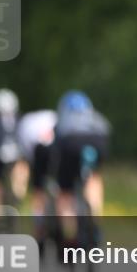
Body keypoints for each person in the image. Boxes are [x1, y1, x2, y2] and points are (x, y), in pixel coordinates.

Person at [52, 91, 110, 237]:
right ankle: (95, 216)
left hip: (71, 143)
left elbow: (56, 145)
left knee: (65, 192)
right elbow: (106, 130)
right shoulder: (95, 116)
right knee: (94, 178)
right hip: (97, 141)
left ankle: (69, 233)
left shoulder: (63, 118)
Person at [16, 108, 57, 256]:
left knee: (38, 193)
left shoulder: (26, 122)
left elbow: (26, 151)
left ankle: (39, 233)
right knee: (64, 192)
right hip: (55, 150)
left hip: (38, 152)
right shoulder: (53, 117)